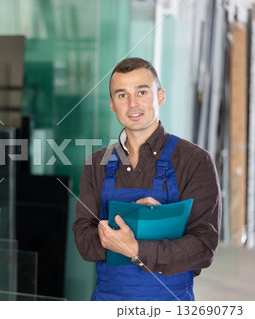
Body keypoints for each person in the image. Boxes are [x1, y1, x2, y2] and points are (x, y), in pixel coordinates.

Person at [72, 57, 222, 301]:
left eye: (142, 92)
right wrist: (121, 233)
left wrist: (134, 248)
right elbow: (82, 240)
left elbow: (204, 248)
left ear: (160, 96)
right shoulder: (96, 163)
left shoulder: (195, 161)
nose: (133, 104)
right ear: (112, 104)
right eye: (122, 95)